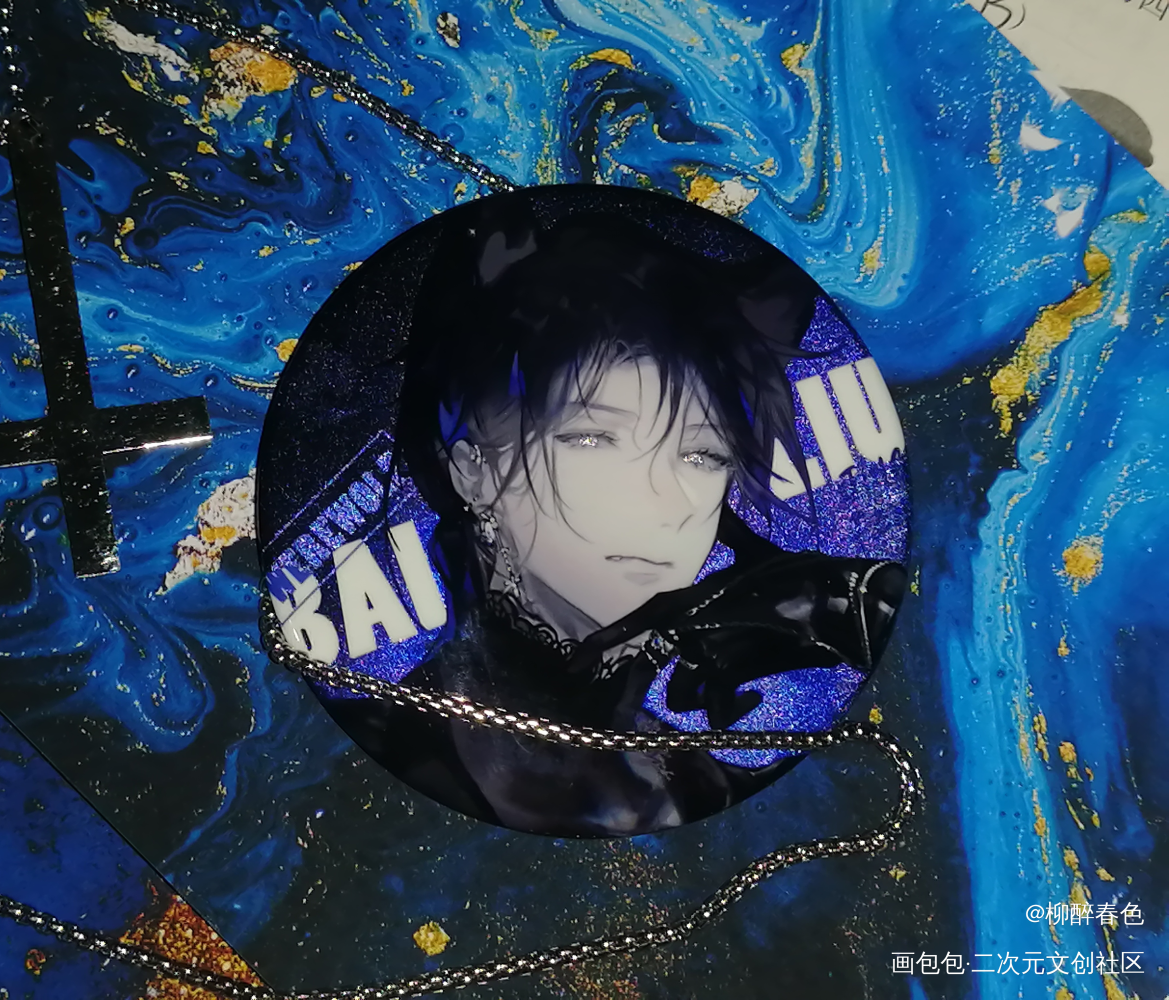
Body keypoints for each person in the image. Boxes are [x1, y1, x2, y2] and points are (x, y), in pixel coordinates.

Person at [325, 200, 906, 837]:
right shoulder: (373, 763)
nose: (662, 498)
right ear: (474, 470)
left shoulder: (704, 785)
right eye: (593, 438)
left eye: (702, 454)